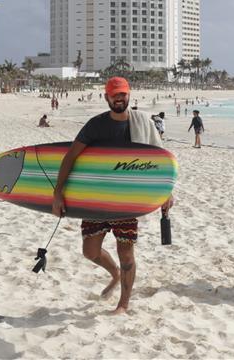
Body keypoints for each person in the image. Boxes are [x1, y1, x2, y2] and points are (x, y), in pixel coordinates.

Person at [51, 77, 169, 315]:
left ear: (129, 95)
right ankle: (114, 274)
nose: (119, 98)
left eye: (123, 94)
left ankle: (123, 305)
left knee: (126, 254)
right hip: (95, 199)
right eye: (114, 94)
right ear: (106, 97)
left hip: (127, 200)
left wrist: (166, 192)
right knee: (90, 251)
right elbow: (71, 156)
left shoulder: (143, 122)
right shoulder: (96, 125)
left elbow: (161, 159)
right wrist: (58, 192)